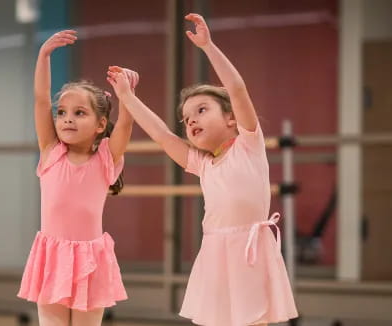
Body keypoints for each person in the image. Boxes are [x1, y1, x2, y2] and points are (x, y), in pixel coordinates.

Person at [106, 14, 298, 326]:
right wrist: (127, 97)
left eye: (201, 110)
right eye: (187, 119)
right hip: (215, 253)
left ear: (231, 119)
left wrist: (208, 47)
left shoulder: (249, 144)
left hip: (251, 253)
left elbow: (236, 89)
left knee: (254, 322)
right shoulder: (203, 163)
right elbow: (163, 135)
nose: (191, 120)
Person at [17, 30, 138, 326]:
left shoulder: (105, 160)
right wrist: (43, 56)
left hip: (91, 261)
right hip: (52, 257)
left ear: (100, 124)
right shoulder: (50, 151)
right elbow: (40, 99)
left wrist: (127, 94)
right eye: (62, 113)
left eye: (79, 112)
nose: (67, 118)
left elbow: (125, 122)